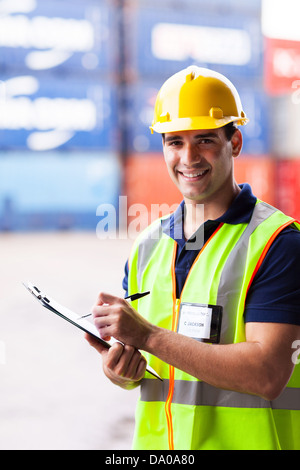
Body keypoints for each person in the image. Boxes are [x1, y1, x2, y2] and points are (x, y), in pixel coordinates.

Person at [85, 66, 300, 450]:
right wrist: (121, 369)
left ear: (234, 141)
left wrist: (148, 336)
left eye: (204, 140)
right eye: (175, 142)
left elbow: (268, 374)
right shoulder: (148, 245)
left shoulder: (278, 243)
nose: (188, 158)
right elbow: (150, 369)